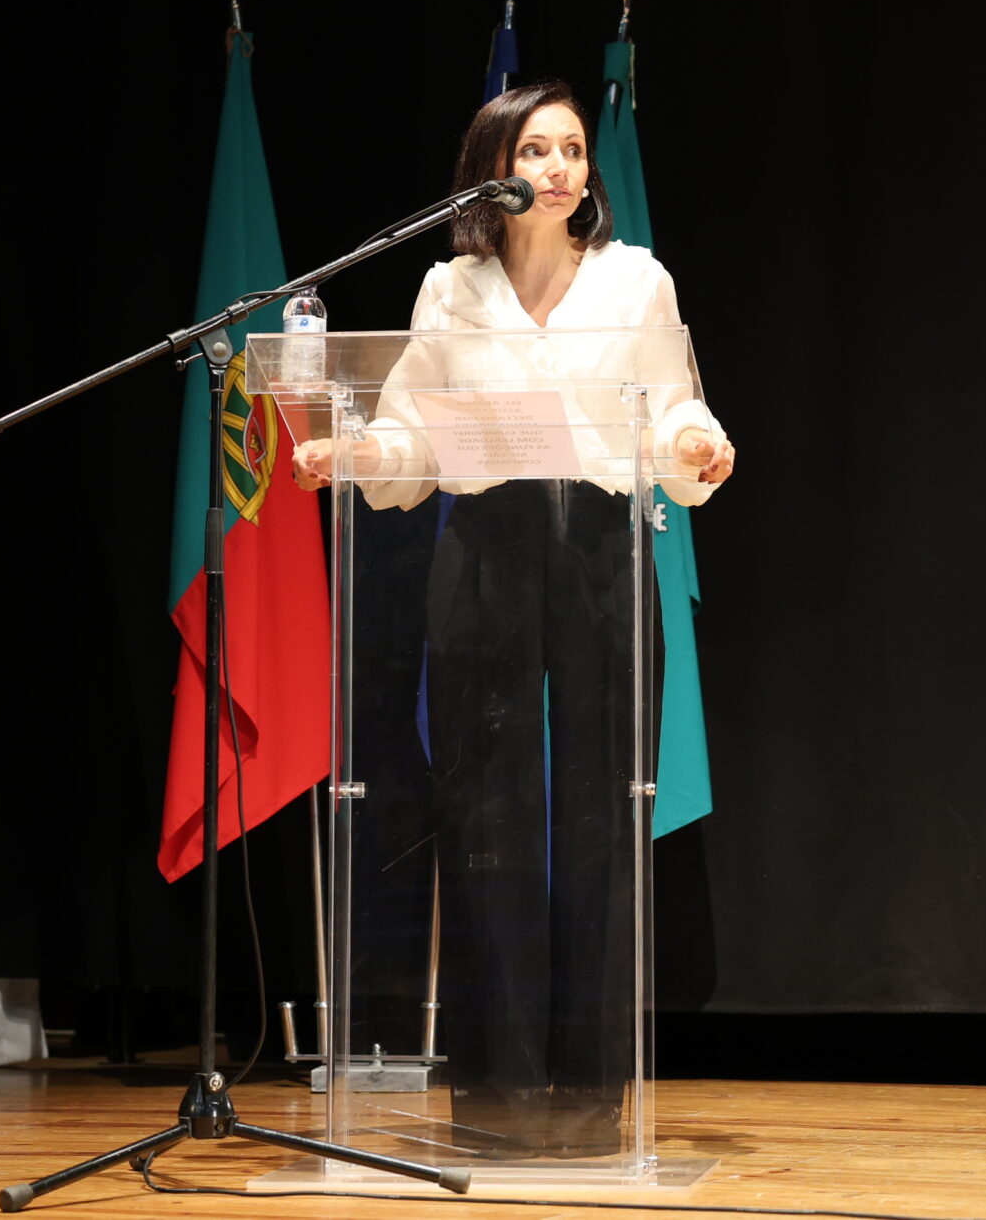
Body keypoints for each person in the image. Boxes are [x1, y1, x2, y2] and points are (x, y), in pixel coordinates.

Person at [292, 79, 733, 1161]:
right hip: (484, 549)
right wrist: (357, 452)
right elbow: (414, 434)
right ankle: (495, 1097)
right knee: (484, 816)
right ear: (494, 166)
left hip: (596, 545)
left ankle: (585, 1097)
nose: (558, 168)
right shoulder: (451, 290)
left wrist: (695, 443)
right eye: (535, 149)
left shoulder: (636, 281)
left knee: (598, 817)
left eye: (572, 150)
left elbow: (674, 403)